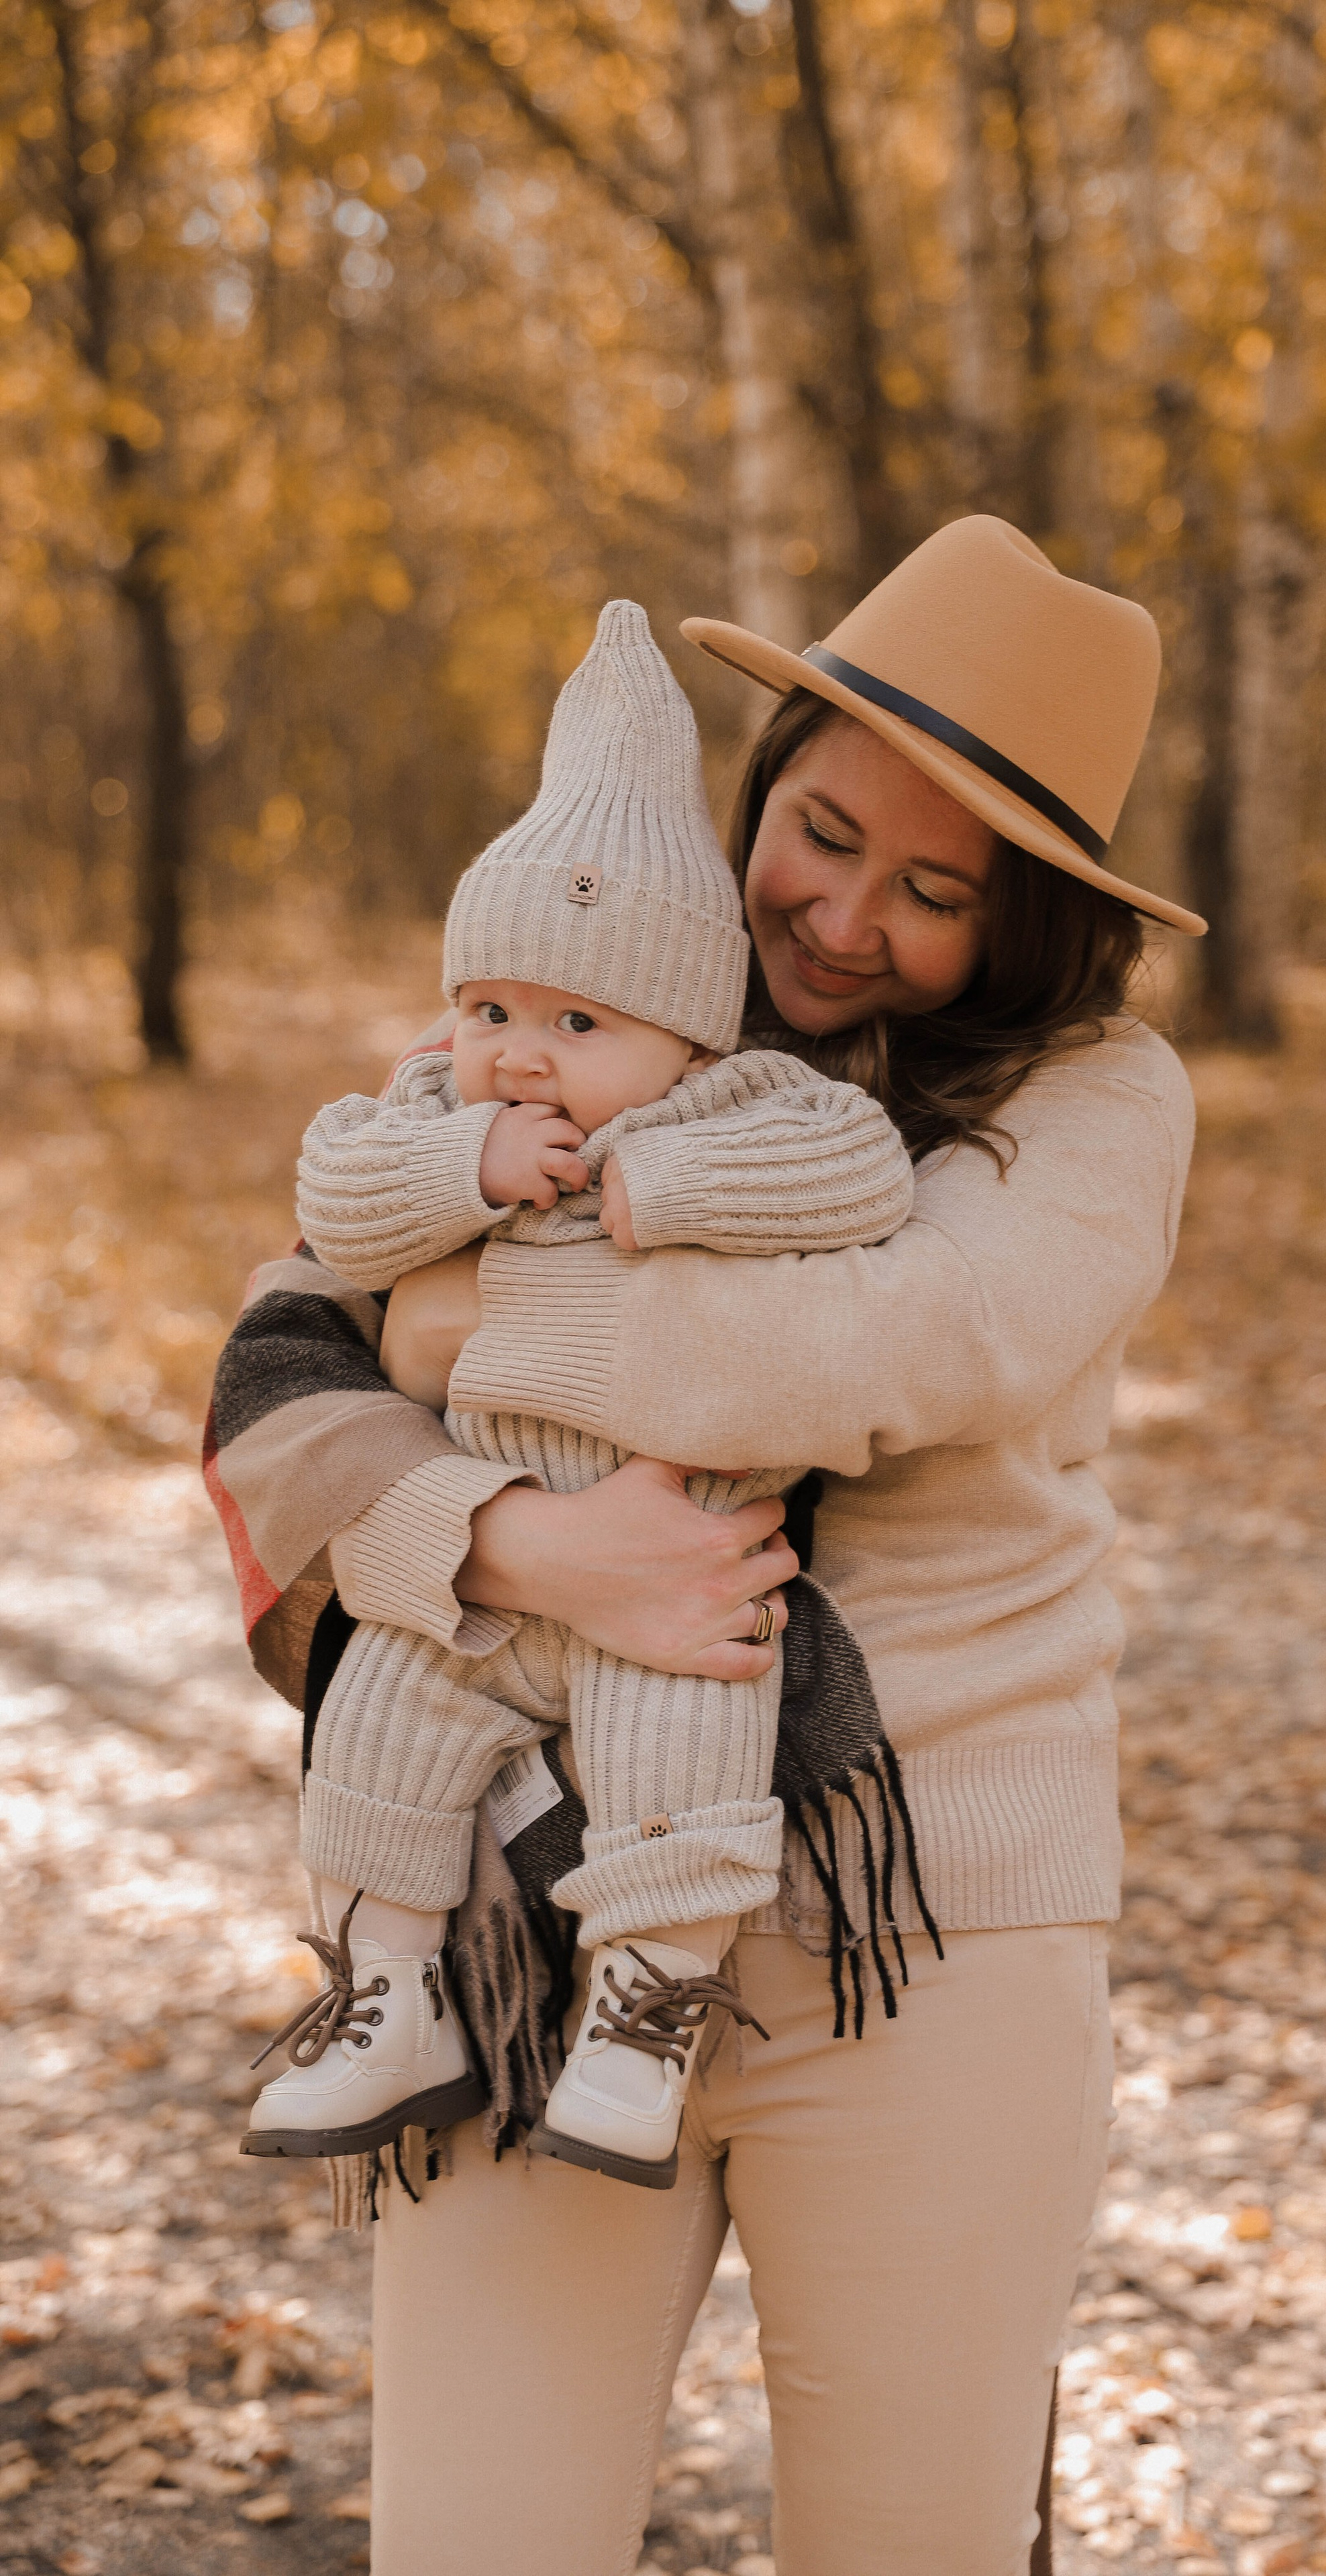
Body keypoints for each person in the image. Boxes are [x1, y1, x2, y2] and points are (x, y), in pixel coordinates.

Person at [205, 513, 1203, 2576]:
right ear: (763, 784)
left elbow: (897, 1342)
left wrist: (460, 1326)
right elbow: (280, 1376)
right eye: (822, 834)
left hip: (927, 1925)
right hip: (531, 1900)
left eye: (935, 893)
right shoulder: (594, 996)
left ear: (1028, 929)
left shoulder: (1100, 1100)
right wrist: (510, 1542)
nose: (842, 916)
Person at [241, 599, 915, 2188]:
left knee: (685, 1743)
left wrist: (658, 1188)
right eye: (490, 1009)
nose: (517, 1054)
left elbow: (857, 1169)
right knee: (378, 1723)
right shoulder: (441, 1104)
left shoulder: (727, 1103)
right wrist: (459, 1165)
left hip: (680, 1560)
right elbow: (336, 1194)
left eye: (574, 1023)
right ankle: (388, 1993)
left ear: (682, 1038)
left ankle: (641, 2016)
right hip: (477, 1572)